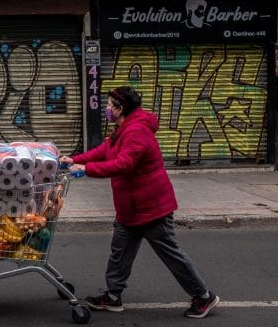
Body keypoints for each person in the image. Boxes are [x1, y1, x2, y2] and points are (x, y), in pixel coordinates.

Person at [59, 86, 219, 319]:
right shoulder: (124, 128)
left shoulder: (137, 131)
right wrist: (74, 159)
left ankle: (204, 296)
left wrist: (86, 169)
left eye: (109, 105)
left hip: (151, 207)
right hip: (130, 207)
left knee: (170, 254)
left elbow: (124, 164)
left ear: (120, 108)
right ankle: (113, 296)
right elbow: (105, 150)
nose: (106, 109)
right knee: (120, 252)